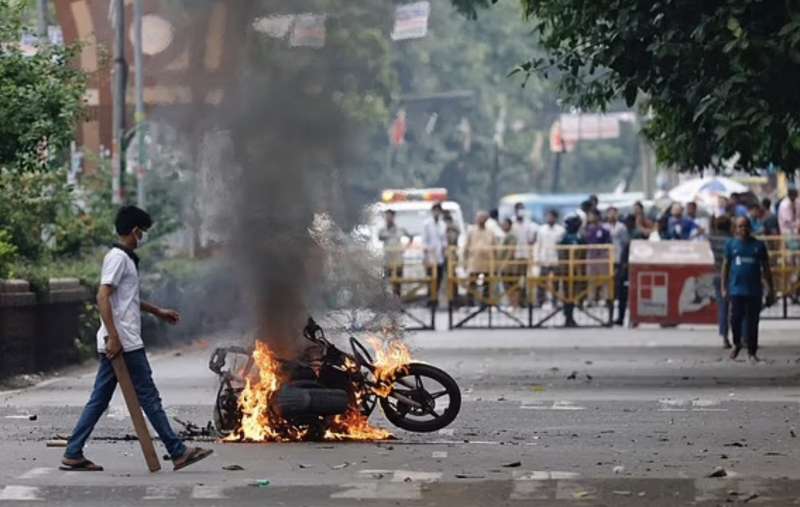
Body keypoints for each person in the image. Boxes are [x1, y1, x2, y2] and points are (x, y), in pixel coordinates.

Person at [61, 206, 213, 472]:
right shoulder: (118, 258)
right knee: (149, 397)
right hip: (125, 343)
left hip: (122, 341)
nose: (141, 238)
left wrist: (157, 311)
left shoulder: (123, 258)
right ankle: (178, 451)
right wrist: (114, 337)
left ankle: (73, 451)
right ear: (134, 231)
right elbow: (102, 296)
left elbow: (126, 299)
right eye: (141, 232)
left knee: (100, 399)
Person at [721, 216, 776, 363]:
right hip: (736, 290)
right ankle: (737, 343)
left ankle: (752, 351)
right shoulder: (731, 245)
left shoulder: (758, 245)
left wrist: (771, 290)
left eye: (745, 226)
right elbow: (725, 267)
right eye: (740, 226)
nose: (743, 229)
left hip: (754, 291)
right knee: (735, 320)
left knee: (753, 322)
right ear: (736, 229)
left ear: (750, 228)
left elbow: (766, 270)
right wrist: (723, 287)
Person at [709, 215, 734, 348]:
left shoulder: (712, 239)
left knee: (723, 308)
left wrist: (712, 223)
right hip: (732, 276)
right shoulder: (732, 241)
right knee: (736, 307)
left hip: (717, 275)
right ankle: (740, 336)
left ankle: (724, 337)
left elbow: (710, 232)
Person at [464, 211, 497, 305]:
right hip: (474, 262)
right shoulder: (471, 231)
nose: (481, 220)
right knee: (472, 283)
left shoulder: (490, 232)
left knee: (487, 284)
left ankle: (485, 304)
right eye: (479, 218)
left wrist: (495, 262)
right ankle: (470, 304)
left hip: (487, 263)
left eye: (483, 218)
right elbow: (466, 246)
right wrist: (464, 261)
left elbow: (495, 246)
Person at [533, 209, 565, 306]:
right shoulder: (541, 230)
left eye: (551, 216)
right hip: (544, 259)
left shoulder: (561, 230)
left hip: (556, 259)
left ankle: (554, 301)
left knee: (555, 282)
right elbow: (538, 244)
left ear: (555, 218)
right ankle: (540, 301)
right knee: (542, 281)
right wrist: (537, 257)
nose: (549, 218)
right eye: (548, 216)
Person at [604, 207, 629, 323]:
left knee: (620, 290)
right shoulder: (604, 228)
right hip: (607, 261)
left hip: (619, 261)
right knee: (609, 290)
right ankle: (609, 316)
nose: (612, 215)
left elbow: (625, 245)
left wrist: (624, 262)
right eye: (610, 213)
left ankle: (620, 317)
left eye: (614, 213)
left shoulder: (622, 228)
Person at [559, 215, 585, 327]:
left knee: (574, 293)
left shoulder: (579, 237)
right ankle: (568, 317)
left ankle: (571, 316)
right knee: (567, 293)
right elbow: (561, 252)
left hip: (577, 269)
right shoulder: (566, 237)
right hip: (567, 269)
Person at [377, 209, 410, 296]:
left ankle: (397, 302)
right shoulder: (382, 230)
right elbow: (380, 238)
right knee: (387, 282)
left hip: (398, 260)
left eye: (390, 216)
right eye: (387, 216)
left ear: (393, 217)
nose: (388, 218)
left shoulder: (400, 229)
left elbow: (410, 237)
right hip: (387, 260)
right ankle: (387, 302)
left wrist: (405, 248)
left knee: (398, 283)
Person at [422, 202, 447, 307]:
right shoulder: (427, 224)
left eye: (438, 210)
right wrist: (425, 253)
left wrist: (445, 248)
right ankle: (430, 299)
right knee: (430, 278)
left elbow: (444, 240)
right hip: (430, 255)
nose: (436, 213)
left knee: (439, 278)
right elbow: (424, 240)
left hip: (440, 256)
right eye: (435, 210)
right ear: (432, 212)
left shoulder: (443, 224)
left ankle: (435, 297)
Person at [585, 209, 612, 302]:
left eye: (591, 215)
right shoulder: (587, 229)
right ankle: (590, 299)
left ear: (597, 216)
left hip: (602, 256)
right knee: (591, 279)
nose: (589, 217)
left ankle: (606, 298)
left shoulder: (604, 229)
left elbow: (608, 242)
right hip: (591, 256)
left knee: (604, 278)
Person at [498, 218, 521, 305]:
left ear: (510, 225)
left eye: (505, 224)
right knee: (507, 285)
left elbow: (510, 251)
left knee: (512, 285)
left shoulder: (511, 236)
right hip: (505, 265)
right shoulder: (504, 236)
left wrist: (504, 264)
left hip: (510, 266)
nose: (503, 226)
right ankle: (512, 303)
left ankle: (514, 304)